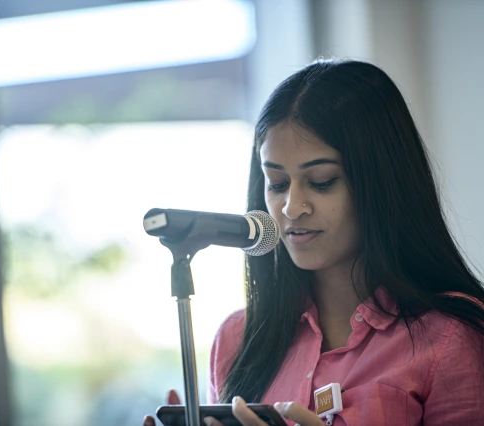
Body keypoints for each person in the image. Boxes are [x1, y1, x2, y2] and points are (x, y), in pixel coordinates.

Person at [144, 59, 484, 426]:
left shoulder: (450, 338)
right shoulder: (235, 340)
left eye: (321, 181)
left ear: (382, 182)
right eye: (276, 183)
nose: (292, 207)